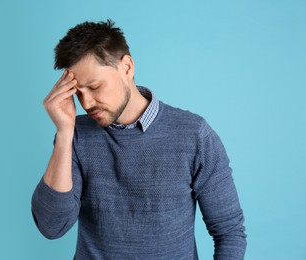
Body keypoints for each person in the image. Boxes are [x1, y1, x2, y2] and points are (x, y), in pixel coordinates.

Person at [31, 19, 247, 259]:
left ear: (126, 67)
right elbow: (52, 226)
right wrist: (63, 133)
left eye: (94, 86)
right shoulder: (75, 134)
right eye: (78, 93)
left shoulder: (193, 135)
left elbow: (229, 232)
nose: (87, 103)